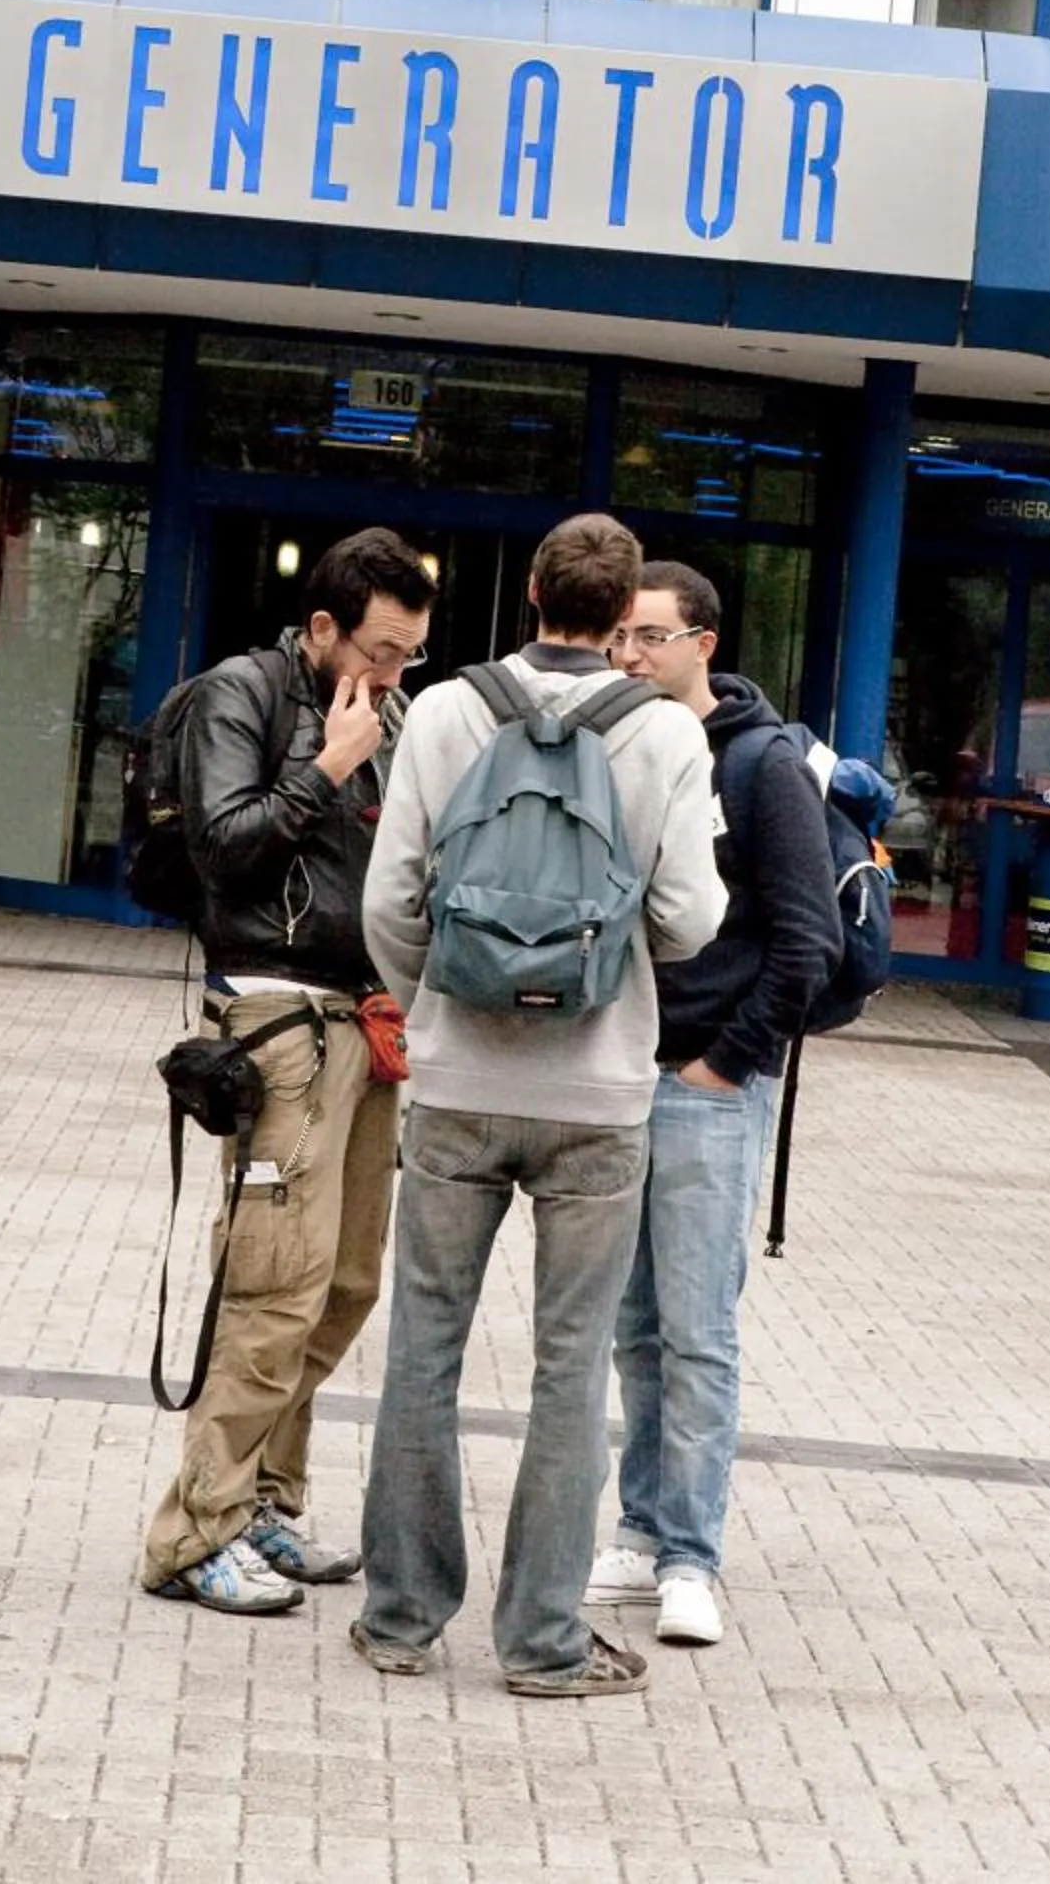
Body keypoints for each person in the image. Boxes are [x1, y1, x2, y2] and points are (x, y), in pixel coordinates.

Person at [353, 514, 725, 1697]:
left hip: (458, 1080)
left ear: (524, 594)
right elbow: (689, 915)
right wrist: (607, 966)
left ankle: (400, 1619)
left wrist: (440, 1003)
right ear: (624, 620)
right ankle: (541, 1643)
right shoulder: (664, 732)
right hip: (599, 1095)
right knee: (572, 1372)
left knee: (423, 1350)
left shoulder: (448, 712)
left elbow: (391, 895)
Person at [140, 526, 438, 1617]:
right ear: (321, 628)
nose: (394, 673)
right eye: (381, 649)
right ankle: (191, 1532)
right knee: (273, 1282)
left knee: (345, 1281)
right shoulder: (243, 694)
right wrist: (326, 769)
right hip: (277, 1011)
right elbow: (223, 846)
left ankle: (264, 1494)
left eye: (409, 654)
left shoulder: (393, 714)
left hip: (369, 1015)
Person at [586, 559, 842, 1647]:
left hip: (702, 1086)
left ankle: (690, 1556)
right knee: (632, 1329)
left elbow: (806, 944)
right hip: (617, 1074)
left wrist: (722, 1065)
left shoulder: (759, 765)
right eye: (618, 639)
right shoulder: (620, 749)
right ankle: (640, 1532)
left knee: (695, 1332)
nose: (628, 655)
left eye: (648, 636)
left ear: (704, 642)